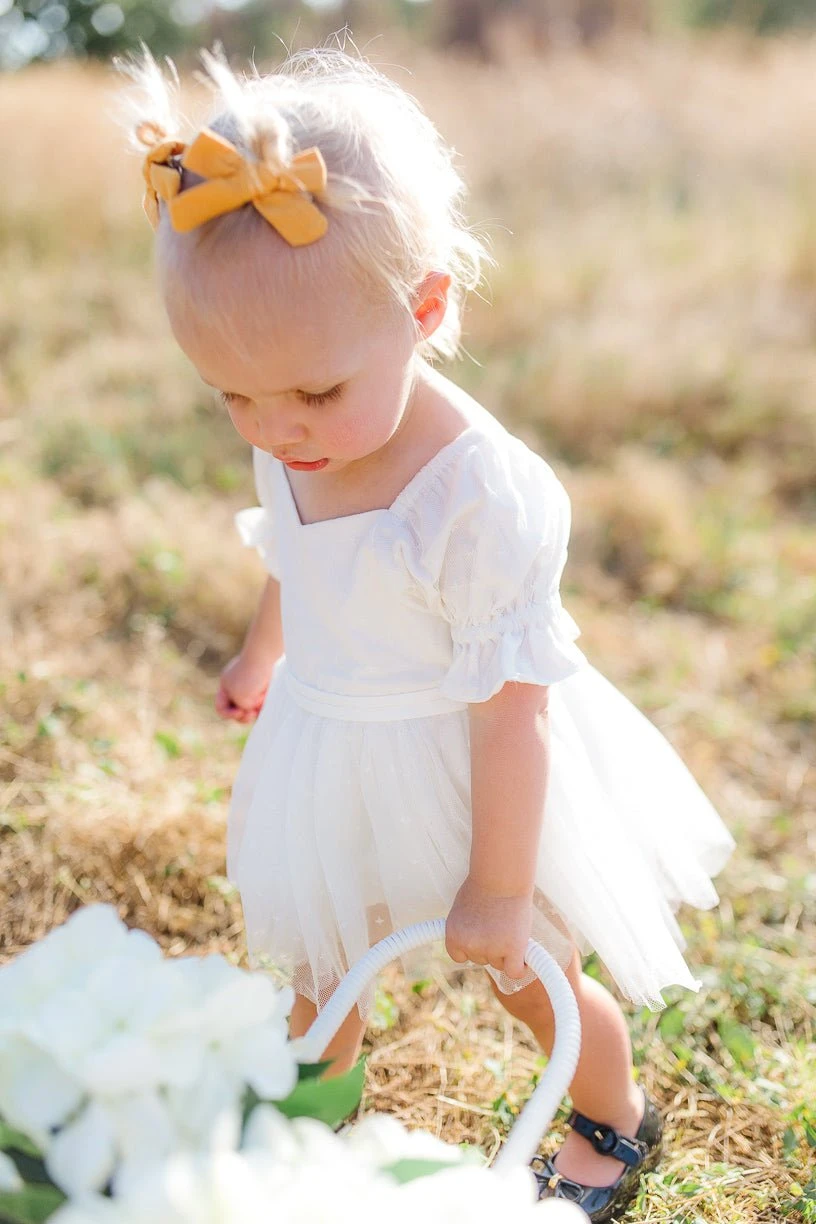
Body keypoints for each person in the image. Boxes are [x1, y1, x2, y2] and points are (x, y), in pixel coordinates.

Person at [121, 42, 735, 1220]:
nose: (277, 428)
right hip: (334, 740)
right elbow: (297, 550)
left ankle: (612, 1110)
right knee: (320, 967)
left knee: (526, 975)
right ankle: (316, 1128)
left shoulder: (475, 494)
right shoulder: (297, 415)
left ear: (427, 310)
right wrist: (266, 647)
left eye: (310, 396)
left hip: (472, 769)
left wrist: (496, 888)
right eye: (234, 397)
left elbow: (518, 708)